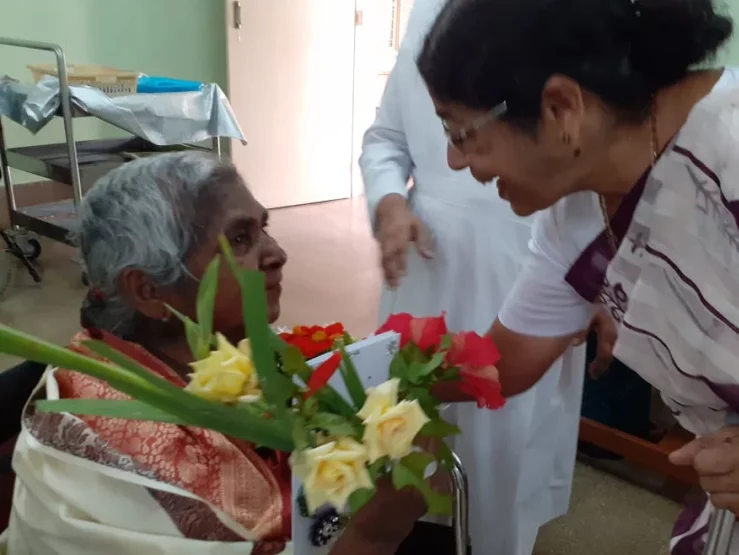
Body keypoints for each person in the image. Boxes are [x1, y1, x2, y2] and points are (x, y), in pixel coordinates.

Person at [415, 0, 739, 552]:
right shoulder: (582, 205)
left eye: (461, 133)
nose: (455, 162)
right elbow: (509, 360)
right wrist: (355, 380)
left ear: (561, 107)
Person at [1, 152, 426, 555]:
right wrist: (372, 537)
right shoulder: (99, 451)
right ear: (149, 290)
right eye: (239, 240)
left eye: (264, 227)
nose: (277, 254)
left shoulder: (246, 346)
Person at [359, 0, 586, 553]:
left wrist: (600, 270)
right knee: (404, 432)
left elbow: (593, 155)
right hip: (430, 262)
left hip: (532, 257)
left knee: (506, 441)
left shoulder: (569, 21)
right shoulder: (426, 17)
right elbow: (385, 140)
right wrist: (390, 204)